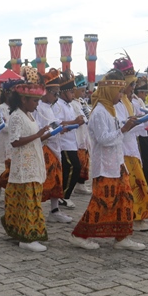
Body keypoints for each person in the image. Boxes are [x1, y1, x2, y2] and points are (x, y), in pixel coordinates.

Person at [69, 70, 143, 251]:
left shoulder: (110, 109)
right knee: (102, 202)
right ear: (109, 91)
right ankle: (79, 235)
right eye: (119, 92)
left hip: (117, 163)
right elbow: (103, 139)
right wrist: (124, 129)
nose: (121, 95)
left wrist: (127, 125)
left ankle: (122, 236)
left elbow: (114, 133)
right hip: (105, 167)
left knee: (125, 199)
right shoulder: (99, 112)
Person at [1, 70, 50, 252]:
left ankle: (20, 231)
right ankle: (27, 238)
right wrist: (37, 135)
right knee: (29, 202)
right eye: (35, 101)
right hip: (24, 166)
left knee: (29, 200)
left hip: (32, 162)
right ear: (24, 99)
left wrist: (44, 135)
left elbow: (32, 137)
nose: (37, 105)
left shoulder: (28, 115)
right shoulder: (16, 116)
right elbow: (15, 141)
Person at [113, 55, 148, 231]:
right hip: (123, 150)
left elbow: (131, 122)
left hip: (131, 147)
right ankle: (134, 219)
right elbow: (121, 125)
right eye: (131, 85)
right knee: (135, 185)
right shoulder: (116, 103)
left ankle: (134, 218)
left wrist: (143, 119)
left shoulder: (127, 101)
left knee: (135, 185)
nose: (133, 88)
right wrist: (137, 121)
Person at [34, 69, 72, 223]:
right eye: (54, 93)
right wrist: (52, 131)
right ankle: (35, 208)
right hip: (44, 148)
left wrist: (60, 129)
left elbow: (53, 124)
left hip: (55, 147)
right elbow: (37, 130)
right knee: (45, 180)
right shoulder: (37, 107)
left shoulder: (49, 107)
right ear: (45, 91)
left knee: (57, 179)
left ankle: (55, 210)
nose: (56, 97)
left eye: (58, 93)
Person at [55, 70, 86, 209]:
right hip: (64, 143)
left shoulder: (69, 105)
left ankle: (63, 195)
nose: (74, 95)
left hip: (72, 142)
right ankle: (64, 196)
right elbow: (57, 123)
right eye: (71, 92)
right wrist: (74, 122)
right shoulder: (58, 105)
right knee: (74, 167)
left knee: (70, 169)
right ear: (63, 92)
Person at [71, 74, 92, 195]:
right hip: (78, 135)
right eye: (82, 91)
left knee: (85, 159)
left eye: (84, 91)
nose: (84, 93)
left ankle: (81, 184)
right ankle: (77, 183)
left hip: (84, 134)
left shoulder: (81, 102)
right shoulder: (72, 104)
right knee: (79, 160)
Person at [133, 77, 148, 188]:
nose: (146, 95)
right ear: (140, 92)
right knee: (144, 159)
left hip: (144, 131)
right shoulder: (134, 102)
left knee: (147, 158)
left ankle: (145, 183)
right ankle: (143, 184)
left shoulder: (139, 101)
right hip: (139, 133)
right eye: (145, 93)